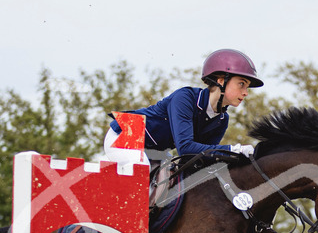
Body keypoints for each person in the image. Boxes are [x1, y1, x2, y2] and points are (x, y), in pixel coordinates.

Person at [104, 48, 263, 169]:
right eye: (241, 84)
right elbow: (186, 148)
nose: (246, 93)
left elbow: (200, 157)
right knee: (141, 167)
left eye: (247, 87)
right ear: (221, 81)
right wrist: (234, 150)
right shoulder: (185, 98)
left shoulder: (222, 119)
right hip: (127, 134)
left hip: (158, 151)